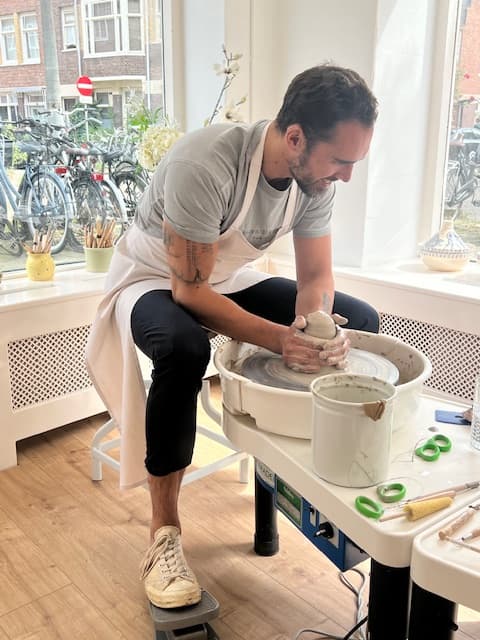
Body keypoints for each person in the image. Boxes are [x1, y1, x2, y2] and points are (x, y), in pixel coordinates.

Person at [86, 63, 379, 610]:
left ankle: (303, 473)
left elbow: (316, 279)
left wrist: (317, 328)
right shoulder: (206, 164)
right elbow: (190, 293)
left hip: (226, 276)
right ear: (296, 138)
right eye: (341, 161)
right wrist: (281, 340)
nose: (345, 176)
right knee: (184, 348)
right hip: (151, 279)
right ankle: (163, 536)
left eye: (353, 163)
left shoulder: (313, 181)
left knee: (358, 319)